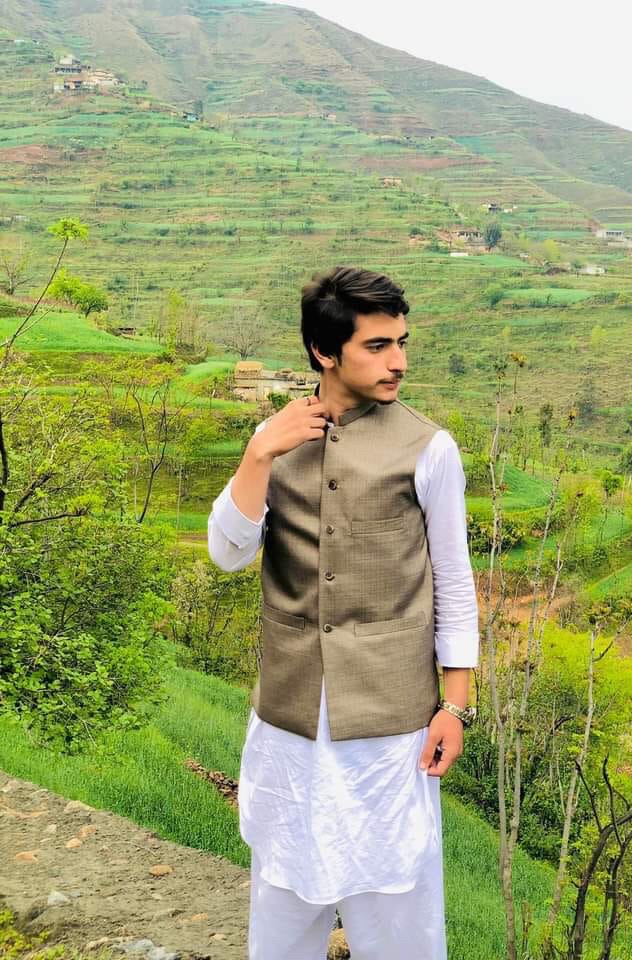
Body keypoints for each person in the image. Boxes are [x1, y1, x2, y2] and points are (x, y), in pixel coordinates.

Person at [207, 266, 479, 960]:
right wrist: (259, 453)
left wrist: (456, 705)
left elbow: (454, 580)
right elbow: (228, 553)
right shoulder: (275, 440)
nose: (399, 362)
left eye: (401, 343)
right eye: (378, 346)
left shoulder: (429, 447)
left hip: (390, 728)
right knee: (283, 893)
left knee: (398, 906)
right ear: (324, 352)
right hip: (291, 719)